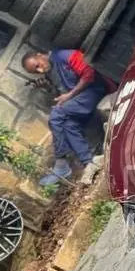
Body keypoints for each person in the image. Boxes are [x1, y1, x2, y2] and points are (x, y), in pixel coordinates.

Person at [21, 49, 112, 186]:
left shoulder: (65, 55)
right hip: (81, 100)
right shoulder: (50, 73)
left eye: (38, 66)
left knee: (56, 116)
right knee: (68, 125)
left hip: (95, 89)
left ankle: (61, 163)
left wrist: (69, 96)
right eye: (35, 71)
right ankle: (89, 162)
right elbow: (63, 92)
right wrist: (52, 91)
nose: (40, 70)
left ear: (40, 55)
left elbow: (89, 73)